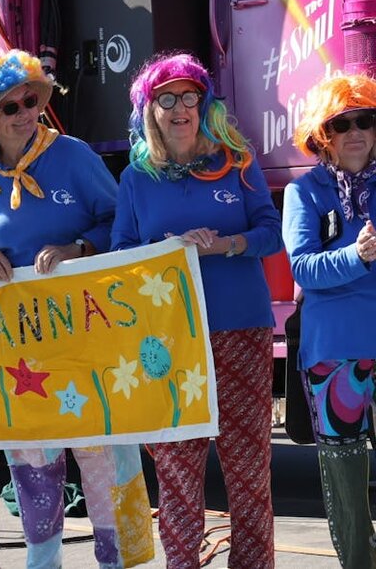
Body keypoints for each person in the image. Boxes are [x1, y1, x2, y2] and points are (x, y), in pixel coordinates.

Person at [0, 44, 153, 569]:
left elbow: (123, 224)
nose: (26, 113)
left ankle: (117, 561)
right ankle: (42, 562)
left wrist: (79, 250)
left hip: (88, 340)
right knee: (33, 466)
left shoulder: (73, 155)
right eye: (11, 106)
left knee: (103, 462)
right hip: (19, 352)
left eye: (32, 100)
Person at [111, 51, 283, 569]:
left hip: (239, 328)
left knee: (247, 464)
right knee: (178, 468)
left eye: (191, 97)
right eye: (168, 99)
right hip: (168, 339)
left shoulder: (237, 159)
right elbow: (121, 253)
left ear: (204, 105)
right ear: (151, 110)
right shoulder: (136, 178)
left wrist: (224, 245)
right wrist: (165, 250)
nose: (181, 108)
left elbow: (270, 235)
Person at [282, 72, 376, 569]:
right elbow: (302, 268)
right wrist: (356, 257)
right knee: (346, 479)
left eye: (365, 120)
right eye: (342, 124)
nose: (355, 131)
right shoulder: (305, 192)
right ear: (324, 135)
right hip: (334, 353)